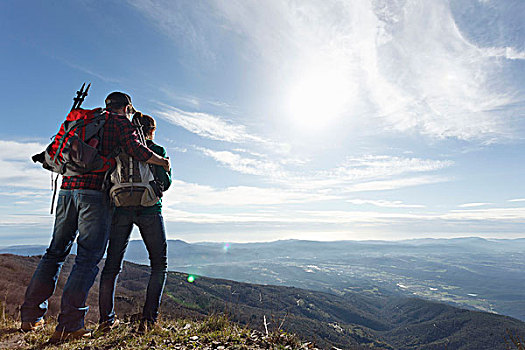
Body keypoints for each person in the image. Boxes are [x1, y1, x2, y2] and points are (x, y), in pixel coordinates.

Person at [20, 92, 171, 343]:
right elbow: (138, 150)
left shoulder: (84, 120)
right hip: (93, 194)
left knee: (54, 252)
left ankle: (31, 317)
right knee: (87, 258)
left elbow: (56, 149)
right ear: (126, 107)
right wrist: (162, 162)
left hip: (66, 191)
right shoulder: (119, 121)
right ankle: (69, 324)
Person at [98, 112, 171, 334]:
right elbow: (165, 183)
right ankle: (149, 322)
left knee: (112, 266)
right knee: (159, 265)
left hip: (121, 209)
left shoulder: (120, 148)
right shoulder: (156, 151)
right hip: (149, 208)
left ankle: (106, 322)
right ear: (151, 130)